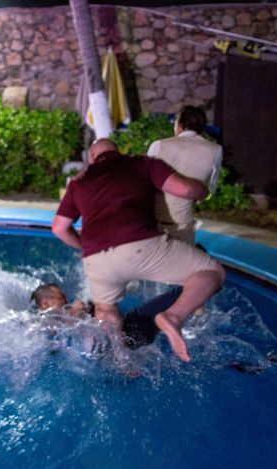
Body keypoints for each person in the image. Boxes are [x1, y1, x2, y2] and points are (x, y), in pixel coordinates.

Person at [51, 138, 225, 363]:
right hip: (142, 246)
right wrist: (204, 192)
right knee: (213, 272)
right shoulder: (142, 163)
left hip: (97, 260)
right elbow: (185, 189)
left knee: (106, 311)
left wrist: (85, 245)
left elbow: (59, 228)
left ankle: (122, 362)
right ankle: (173, 316)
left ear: (92, 158)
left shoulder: (79, 182)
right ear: (119, 152)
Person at [148, 106, 223, 245]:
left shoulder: (158, 145)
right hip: (184, 226)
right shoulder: (216, 150)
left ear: (179, 125)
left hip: (153, 224)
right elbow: (209, 191)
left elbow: (143, 184)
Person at [31, 283, 182, 348]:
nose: (65, 299)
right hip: (123, 341)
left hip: (111, 346)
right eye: (60, 297)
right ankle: (191, 289)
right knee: (145, 316)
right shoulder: (46, 320)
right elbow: (65, 330)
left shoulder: (48, 320)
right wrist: (76, 311)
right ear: (45, 304)